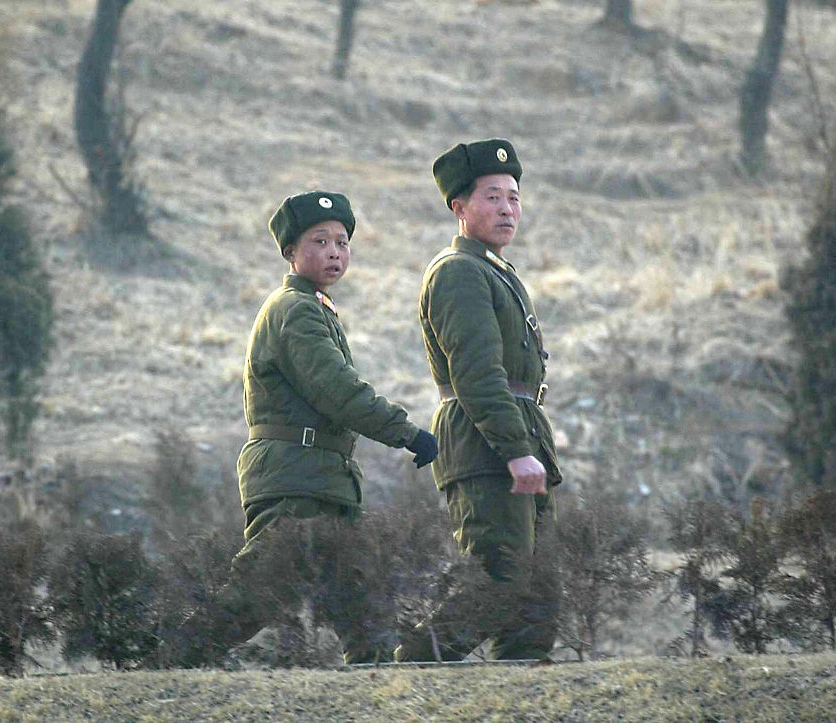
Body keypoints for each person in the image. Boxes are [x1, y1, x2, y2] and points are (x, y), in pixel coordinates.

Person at [168, 190, 438, 667]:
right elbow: (337, 389)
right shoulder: (296, 310)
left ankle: (377, 685)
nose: (335, 252)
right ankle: (167, 664)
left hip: (319, 480)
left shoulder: (313, 307)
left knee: (363, 598)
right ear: (291, 252)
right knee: (255, 593)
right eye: (320, 241)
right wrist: (406, 432)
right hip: (296, 481)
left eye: (342, 242)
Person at [395, 138, 562, 662]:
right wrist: (516, 450)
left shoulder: (494, 270)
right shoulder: (458, 271)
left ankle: (522, 691)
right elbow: (476, 374)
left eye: (514, 197)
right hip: (485, 441)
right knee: (497, 580)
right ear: (459, 207)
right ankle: (404, 671)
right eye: (492, 197)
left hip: (515, 432)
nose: (508, 208)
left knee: (538, 595)